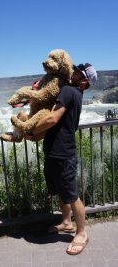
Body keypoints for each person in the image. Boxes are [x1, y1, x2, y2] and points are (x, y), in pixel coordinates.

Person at [25, 63, 97, 255]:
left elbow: (51, 119)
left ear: (84, 81)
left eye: (78, 72)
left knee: (72, 195)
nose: (72, 72)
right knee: (60, 192)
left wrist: (30, 130)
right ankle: (66, 222)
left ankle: (82, 233)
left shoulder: (67, 91)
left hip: (63, 153)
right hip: (55, 151)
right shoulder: (74, 93)